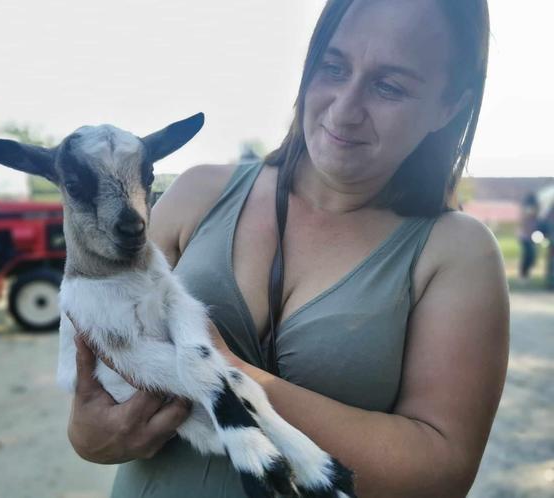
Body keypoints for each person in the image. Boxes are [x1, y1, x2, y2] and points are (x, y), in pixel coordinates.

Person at [67, 0, 509, 496]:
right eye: (333, 66)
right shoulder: (196, 195)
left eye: (389, 86)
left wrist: (217, 371)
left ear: (449, 106)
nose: (345, 108)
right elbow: (89, 371)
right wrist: (89, 435)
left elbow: (441, 473)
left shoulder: (459, 253)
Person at [518, 193, 539, 281]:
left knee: (531, 256)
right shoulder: (527, 210)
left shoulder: (534, 212)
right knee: (527, 255)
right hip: (525, 237)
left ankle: (525, 274)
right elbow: (525, 222)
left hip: (531, 237)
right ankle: (523, 275)